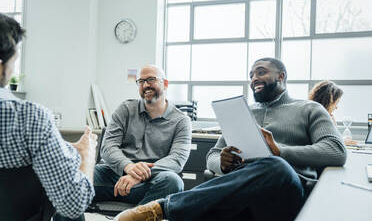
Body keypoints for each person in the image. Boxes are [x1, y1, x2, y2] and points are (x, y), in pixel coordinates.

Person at [114, 57, 347, 221]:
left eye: (261, 72)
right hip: (242, 197)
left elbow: (336, 151)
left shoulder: (309, 109)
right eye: (251, 75)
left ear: (282, 76)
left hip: (286, 193)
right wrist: (223, 163)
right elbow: (212, 157)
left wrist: (280, 151)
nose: (254, 78)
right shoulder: (243, 113)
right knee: (204, 210)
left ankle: (161, 208)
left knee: (276, 166)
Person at [0, 13, 97, 219]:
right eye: (14, 59)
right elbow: (73, 204)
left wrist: (65, 150)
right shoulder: (29, 118)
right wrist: (86, 158)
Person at [92, 65, 192, 206]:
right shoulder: (125, 109)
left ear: (165, 83)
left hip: (152, 179)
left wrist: (139, 175)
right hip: (113, 176)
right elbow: (108, 147)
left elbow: (177, 159)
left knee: (173, 181)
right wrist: (129, 167)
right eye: (141, 81)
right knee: (76, 176)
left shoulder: (181, 120)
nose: (146, 85)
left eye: (151, 79)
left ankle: (133, 216)